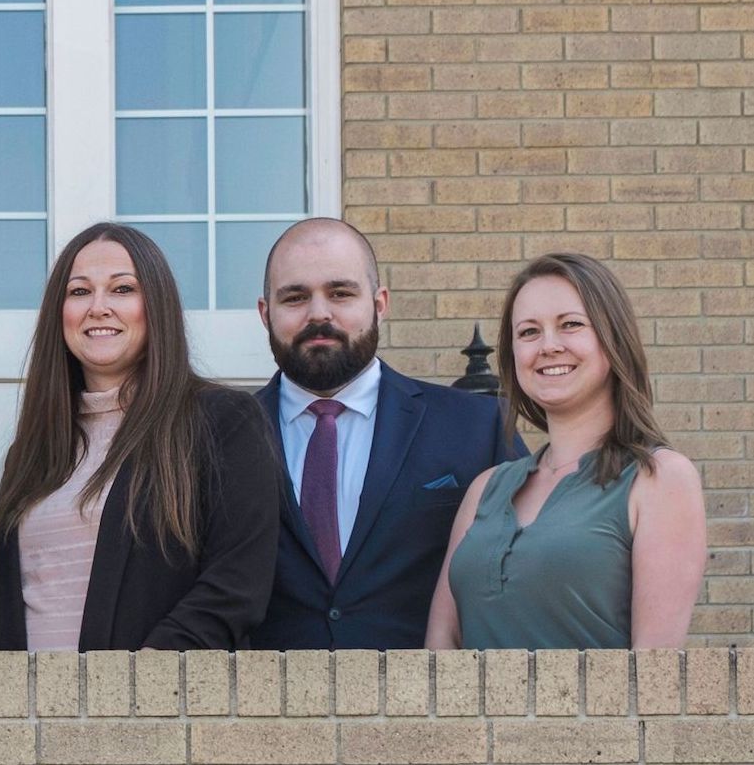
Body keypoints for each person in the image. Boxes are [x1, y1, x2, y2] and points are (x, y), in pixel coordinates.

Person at [0, 224, 282, 651]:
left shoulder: (222, 422)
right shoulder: (33, 451)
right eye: (79, 292)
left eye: (122, 289)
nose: (98, 308)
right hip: (29, 695)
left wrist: (137, 680)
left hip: (156, 692)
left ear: (156, 306)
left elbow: (236, 585)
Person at [249, 218, 524, 650]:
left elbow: (524, 575)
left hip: (427, 689)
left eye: (341, 293)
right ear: (266, 314)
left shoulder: (477, 426)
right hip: (264, 691)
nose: (319, 313)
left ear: (380, 304)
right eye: (295, 297)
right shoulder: (215, 437)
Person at [427, 253, 705, 650]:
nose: (549, 346)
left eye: (570, 324)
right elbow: (439, 651)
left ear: (613, 338)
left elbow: (653, 672)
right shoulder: (485, 489)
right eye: (528, 332)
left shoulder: (659, 478)